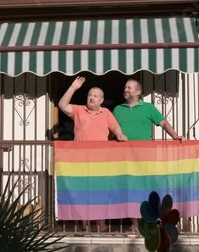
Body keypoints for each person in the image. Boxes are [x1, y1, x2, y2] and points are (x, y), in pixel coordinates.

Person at [113, 79, 186, 234]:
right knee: (129, 190)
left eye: (129, 87)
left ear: (138, 92)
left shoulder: (149, 108)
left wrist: (175, 136)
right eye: (125, 86)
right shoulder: (117, 109)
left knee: (147, 189)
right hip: (124, 158)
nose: (125, 89)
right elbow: (110, 130)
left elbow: (164, 123)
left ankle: (151, 221)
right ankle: (135, 225)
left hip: (145, 158)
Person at [58, 76, 127, 232]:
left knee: (100, 191)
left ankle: (101, 223)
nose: (92, 98)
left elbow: (115, 126)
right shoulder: (78, 110)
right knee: (83, 191)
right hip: (80, 159)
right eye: (90, 95)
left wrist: (120, 135)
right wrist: (73, 88)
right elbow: (62, 105)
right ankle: (85, 224)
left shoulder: (106, 112)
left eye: (95, 96)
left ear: (101, 100)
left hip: (100, 160)